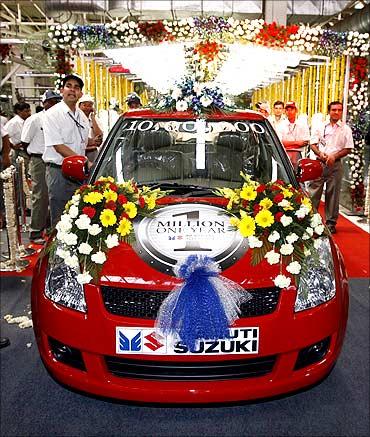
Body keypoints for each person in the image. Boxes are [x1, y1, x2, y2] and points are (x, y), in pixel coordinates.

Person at [43, 74, 90, 228]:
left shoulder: (81, 115)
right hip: (59, 171)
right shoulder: (52, 114)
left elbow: (80, 142)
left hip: (80, 173)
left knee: (79, 216)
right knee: (61, 218)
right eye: (69, 86)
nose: (72, 90)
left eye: (76, 88)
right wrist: (86, 162)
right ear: (62, 90)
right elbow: (59, 146)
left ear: (80, 94)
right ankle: (58, 250)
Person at [21, 90, 62, 244]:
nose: (53, 104)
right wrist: (35, 156)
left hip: (56, 159)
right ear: (44, 103)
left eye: (56, 101)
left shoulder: (60, 119)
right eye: (50, 101)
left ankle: (52, 230)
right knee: (40, 196)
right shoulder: (35, 120)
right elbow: (24, 142)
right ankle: (36, 232)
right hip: (39, 160)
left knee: (55, 196)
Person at [309, 101, 354, 234]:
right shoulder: (320, 126)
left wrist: (334, 156)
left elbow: (348, 148)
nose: (336, 112)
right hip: (319, 163)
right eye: (334, 110)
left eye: (339, 110)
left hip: (336, 165)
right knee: (314, 193)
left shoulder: (346, 129)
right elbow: (313, 143)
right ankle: (311, 221)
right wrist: (321, 154)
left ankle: (330, 223)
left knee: (333, 194)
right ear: (329, 111)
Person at [279, 101, 310, 168]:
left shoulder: (303, 124)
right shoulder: (281, 125)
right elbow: (279, 142)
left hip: (298, 155)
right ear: (285, 111)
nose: (289, 112)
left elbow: (305, 142)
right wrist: (297, 143)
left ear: (296, 110)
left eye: (292, 109)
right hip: (284, 154)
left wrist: (287, 144)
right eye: (287, 110)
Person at [5, 102, 31, 173]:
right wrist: (12, 146)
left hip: (26, 151)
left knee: (25, 173)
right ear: (19, 111)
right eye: (26, 111)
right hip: (19, 152)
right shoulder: (14, 122)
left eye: (29, 111)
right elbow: (4, 136)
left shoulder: (26, 121)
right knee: (20, 174)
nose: (29, 113)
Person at [78, 94, 103, 162]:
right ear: (79, 106)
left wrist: (93, 118)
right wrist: (92, 142)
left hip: (93, 153)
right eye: (84, 105)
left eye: (89, 105)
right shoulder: (76, 120)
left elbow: (99, 137)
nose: (87, 108)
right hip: (80, 153)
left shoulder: (95, 120)